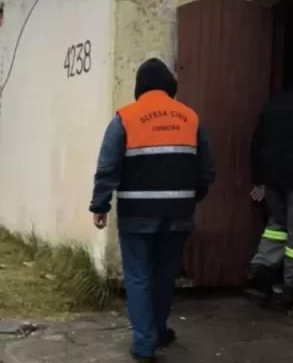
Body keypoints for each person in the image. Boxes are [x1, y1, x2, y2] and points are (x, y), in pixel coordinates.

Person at [89, 58, 215, 363]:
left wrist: (100, 204)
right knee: (164, 274)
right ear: (170, 86)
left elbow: (108, 166)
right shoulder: (190, 118)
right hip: (179, 213)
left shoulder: (126, 117)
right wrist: (191, 197)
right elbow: (207, 169)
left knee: (138, 276)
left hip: (137, 215)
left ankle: (145, 344)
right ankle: (158, 330)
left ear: (139, 88)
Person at [248, 59, 293, 308]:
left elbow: (256, 142)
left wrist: (259, 179)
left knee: (277, 223)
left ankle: (262, 265)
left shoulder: (274, 103)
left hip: (272, 176)